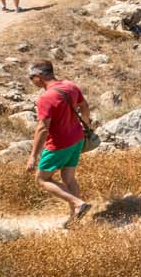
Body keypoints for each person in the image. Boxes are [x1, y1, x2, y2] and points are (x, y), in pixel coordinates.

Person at [26, 59, 96, 227]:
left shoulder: (46, 98)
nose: (31, 81)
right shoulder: (70, 86)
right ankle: (75, 219)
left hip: (59, 145)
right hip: (77, 138)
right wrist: (85, 126)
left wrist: (33, 156)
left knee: (42, 179)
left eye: (31, 77)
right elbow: (85, 107)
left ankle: (78, 203)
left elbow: (43, 129)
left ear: (39, 76)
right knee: (68, 178)